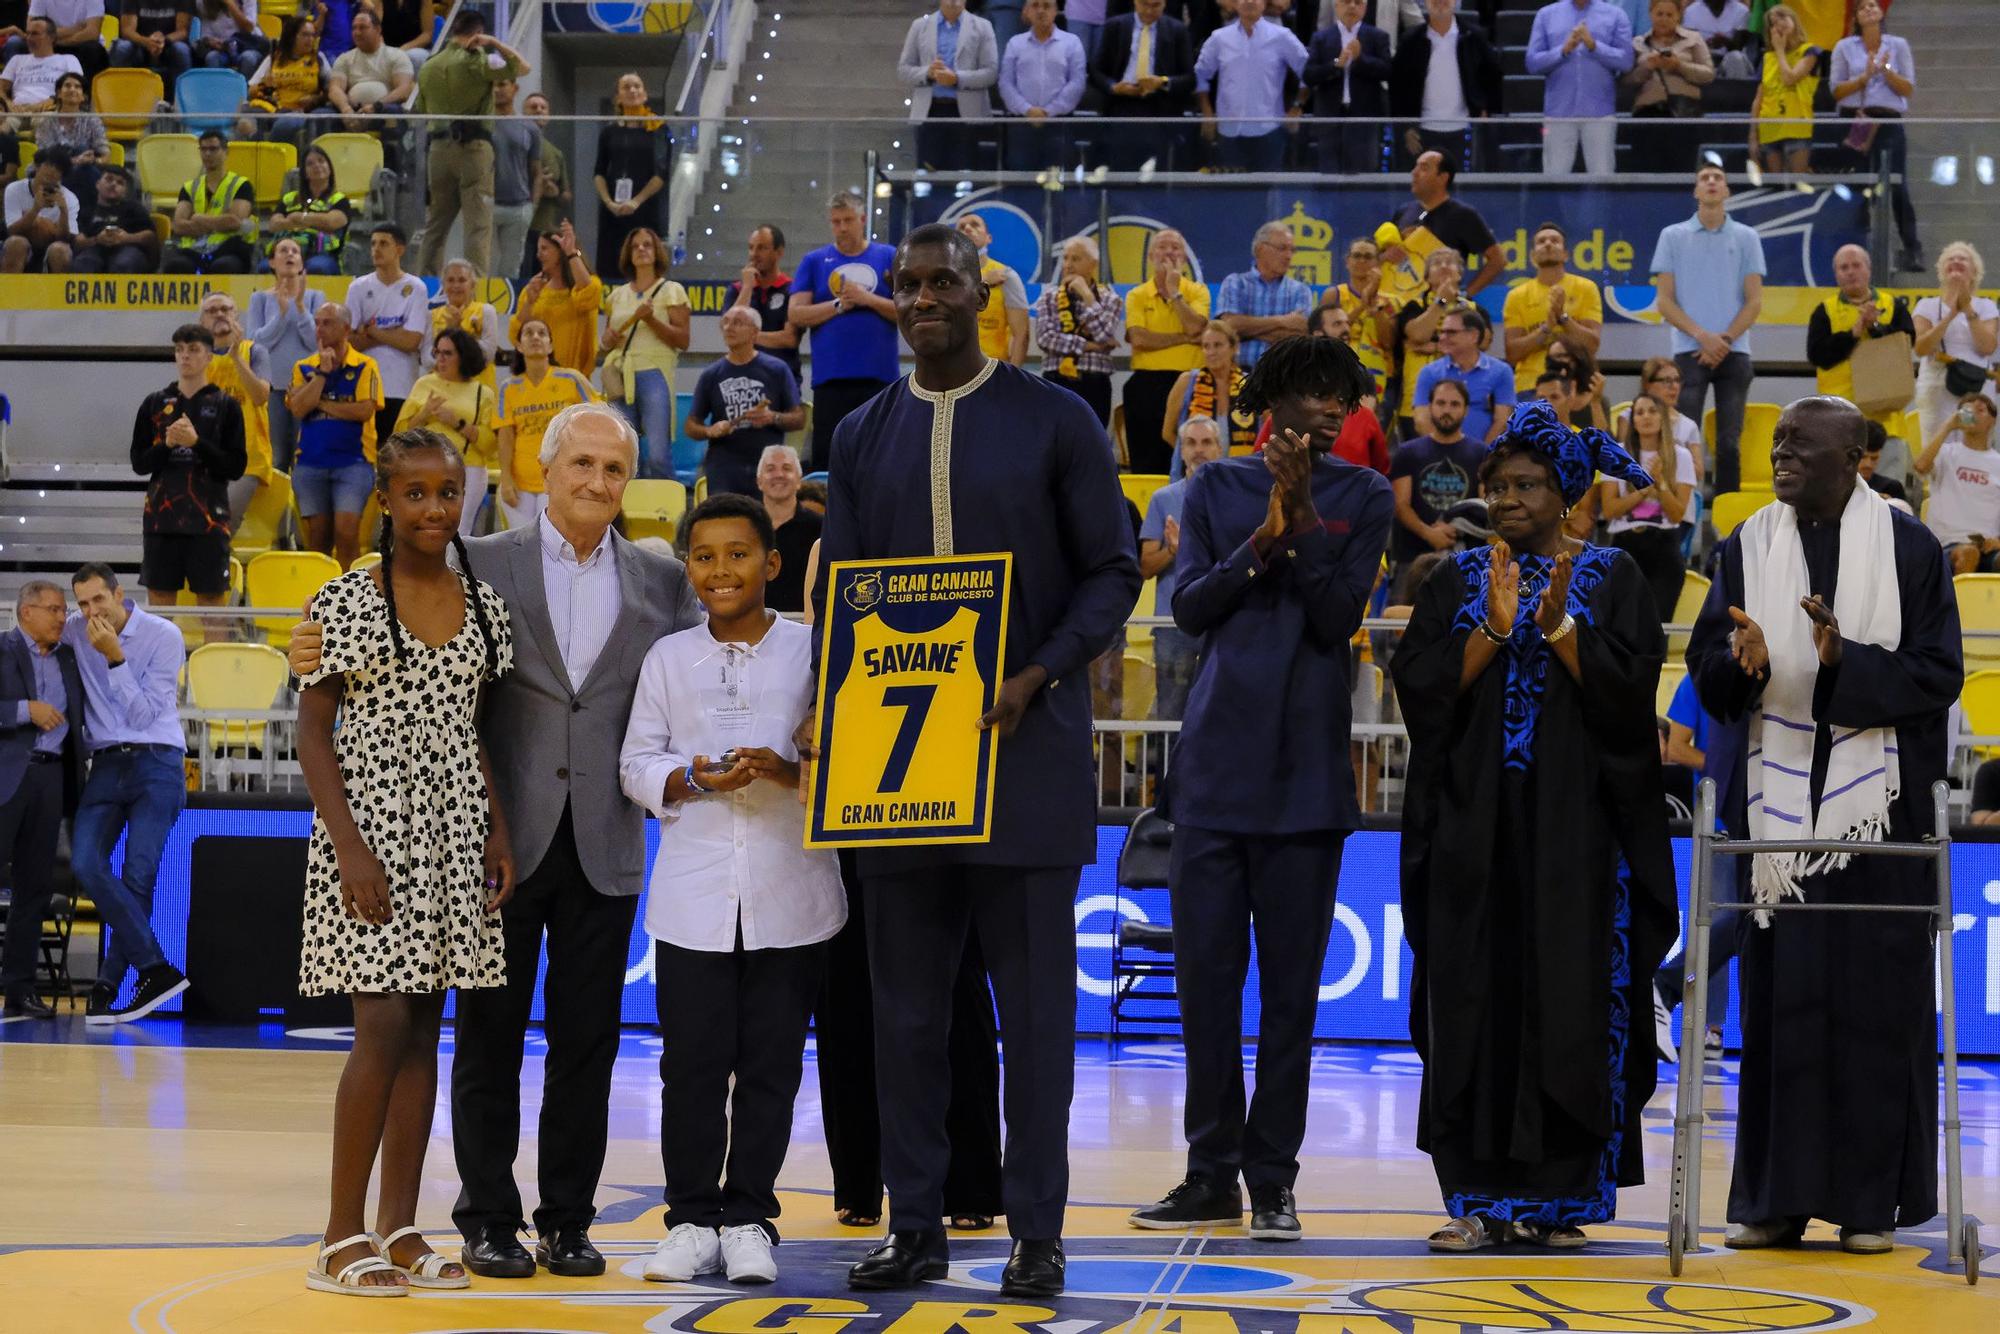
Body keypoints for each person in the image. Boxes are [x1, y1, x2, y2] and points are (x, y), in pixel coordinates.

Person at [291, 401, 702, 1280]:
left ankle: (565, 1221)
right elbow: (345, 659)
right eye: (581, 463)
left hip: (581, 839)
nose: (597, 481)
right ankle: (481, 1220)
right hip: (470, 842)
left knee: (586, 1044)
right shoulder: (478, 561)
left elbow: (710, 662)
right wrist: (307, 641)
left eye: (615, 469)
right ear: (541, 471)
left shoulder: (663, 581)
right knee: (481, 1040)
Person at [811, 222, 1139, 1298]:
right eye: (907, 286)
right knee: (903, 1018)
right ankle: (915, 1226)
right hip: (897, 768)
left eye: (942, 280)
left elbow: (1111, 571)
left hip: (1027, 757)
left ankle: (1036, 1232)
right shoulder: (859, 434)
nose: (922, 298)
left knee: (1035, 1019)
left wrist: (1037, 673)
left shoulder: (1055, 417)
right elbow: (850, 594)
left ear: (982, 294)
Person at [1392, 399, 1675, 1252]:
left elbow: (1630, 702)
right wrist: (1493, 629)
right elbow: (1423, 694)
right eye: (1496, 485)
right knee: (1472, 1001)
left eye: (1525, 485)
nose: (1507, 498)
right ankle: (1474, 1201)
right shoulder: (1452, 581)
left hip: (1579, 839)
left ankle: (1562, 1203)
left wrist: (1558, 631)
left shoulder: (1617, 580)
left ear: (1568, 494)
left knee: (1574, 1003)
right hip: (1474, 834)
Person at [1131, 336, 1393, 1241]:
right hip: (1210, 779)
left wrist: (1303, 509)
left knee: (1289, 1001)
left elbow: (1332, 619)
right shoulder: (1209, 490)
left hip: (1308, 784)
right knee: (1206, 992)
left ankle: (1273, 1179)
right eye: (1319, 393)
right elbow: (1194, 609)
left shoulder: (1362, 496)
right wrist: (1265, 536)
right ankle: (1209, 1175)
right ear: (1273, 402)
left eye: (1345, 398)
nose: (1335, 409)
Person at [1685, 395, 1960, 1255]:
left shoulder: (1911, 548)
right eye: (1778, 444)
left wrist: (1846, 663)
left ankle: (1868, 1205)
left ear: (1860, 460)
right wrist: (1743, 663)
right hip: (1774, 816)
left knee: (1879, 1013)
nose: (1783, 456)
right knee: (1781, 1011)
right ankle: (1775, 1201)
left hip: (1880, 818)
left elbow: (1938, 674)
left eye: (1803, 444)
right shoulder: (1746, 543)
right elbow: (1706, 668)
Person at [293, 426, 512, 1298]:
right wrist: (348, 845)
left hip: (457, 827)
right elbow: (313, 733)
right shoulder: (347, 599)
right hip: (372, 827)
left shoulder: (484, 603)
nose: (434, 508)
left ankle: (401, 1226)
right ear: (385, 500)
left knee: (425, 1027)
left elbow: (474, 730)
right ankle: (339, 1235)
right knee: (381, 1024)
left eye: (448, 492)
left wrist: (497, 829)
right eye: (415, 493)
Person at [618, 492, 842, 1286]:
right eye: (705, 556)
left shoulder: (817, 650)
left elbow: (850, 760)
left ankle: (750, 1216)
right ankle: (688, 1219)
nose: (722, 570)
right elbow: (635, 761)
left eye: (739, 554)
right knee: (692, 1066)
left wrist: (791, 770)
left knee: (773, 1065)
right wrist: (687, 776)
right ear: (689, 566)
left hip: (795, 892)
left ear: (772, 564)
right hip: (693, 897)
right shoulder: (668, 659)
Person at [65, 562, 190, 1023]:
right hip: (106, 764)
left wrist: (115, 657)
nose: (90, 611)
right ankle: (155, 967)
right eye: (82, 602)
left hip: (157, 760)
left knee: (139, 876)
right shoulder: (77, 631)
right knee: (84, 862)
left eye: (98, 599)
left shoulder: (163, 635)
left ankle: (106, 987)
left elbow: (143, 716)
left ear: (119, 594)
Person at [1651, 163, 1765, 493]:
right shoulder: (1672, 236)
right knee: (1683, 438)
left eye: (1718, 178)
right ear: (1696, 191)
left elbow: (1754, 301)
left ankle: (1726, 523)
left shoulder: (1747, 237)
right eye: (1705, 178)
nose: (1712, 182)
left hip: (1736, 351)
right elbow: (1664, 301)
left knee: (1729, 442)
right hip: (1688, 351)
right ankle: (1684, 511)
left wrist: (1724, 340)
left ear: (1727, 191)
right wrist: (1704, 337)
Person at [0, 580, 83, 1020]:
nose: (60, 617)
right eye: (52, 609)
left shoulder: (69, 656)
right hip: (7, 776)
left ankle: (20, 989)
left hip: (51, 779)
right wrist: (23, 710)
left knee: (34, 888)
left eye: (62, 609)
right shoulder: (3, 648)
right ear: (25, 612)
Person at [131, 323, 246, 632]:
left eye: (193, 349)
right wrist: (166, 445)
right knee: (159, 611)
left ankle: (214, 679)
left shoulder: (227, 406)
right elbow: (139, 463)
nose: (185, 356)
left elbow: (235, 466)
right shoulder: (154, 404)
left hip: (208, 520)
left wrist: (197, 443)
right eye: (180, 349)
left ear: (210, 356)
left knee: (212, 610)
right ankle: (158, 678)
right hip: (161, 519)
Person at [411, 8, 529, 281]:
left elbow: (421, 108)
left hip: (438, 150)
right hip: (473, 148)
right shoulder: (476, 61)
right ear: (478, 34)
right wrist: (495, 44)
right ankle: (473, 284)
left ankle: (425, 281)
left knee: (436, 224)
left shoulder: (429, 65)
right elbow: (523, 68)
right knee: (477, 224)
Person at [789, 192, 898, 472]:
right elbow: (796, 314)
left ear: (862, 220)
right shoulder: (814, 261)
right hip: (831, 379)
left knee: (882, 458)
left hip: (879, 377)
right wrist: (839, 305)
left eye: (848, 220)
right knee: (830, 459)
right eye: (836, 222)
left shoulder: (888, 256)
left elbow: (907, 310)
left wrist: (868, 299)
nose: (842, 227)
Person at [1140, 415, 1224, 724]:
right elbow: (1145, 567)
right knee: (1171, 716)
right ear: (1181, 450)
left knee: (1221, 715)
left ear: (1220, 448)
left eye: (1206, 442)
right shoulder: (1163, 499)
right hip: (1172, 625)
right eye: (1191, 442)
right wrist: (1173, 551)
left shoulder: (1234, 497)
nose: (1198, 450)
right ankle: (1168, 774)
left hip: (1221, 622)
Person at [288, 301, 384, 568]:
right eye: (317, 322)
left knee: (346, 532)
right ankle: (319, 600)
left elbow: (364, 410)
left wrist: (317, 402)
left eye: (327, 323)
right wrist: (322, 374)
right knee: (316, 540)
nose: (319, 329)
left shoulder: (366, 366)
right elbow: (297, 408)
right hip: (310, 462)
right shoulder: (304, 367)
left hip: (353, 463)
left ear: (346, 328)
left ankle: (348, 598)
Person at [1829, 0, 1919, 273]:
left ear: (1881, 13)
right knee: (1858, 186)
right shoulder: (1844, 46)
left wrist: (1886, 71)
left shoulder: (1898, 45)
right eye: (1862, 7)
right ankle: (1855, 249)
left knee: (1896, 185)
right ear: (1855, 16)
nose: (1869, 9)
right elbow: (1836, 91)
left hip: (1887, 120)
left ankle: (1912, 249)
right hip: (1854, 120)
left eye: (1873, 5)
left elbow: (1907, 89)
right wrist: (1864, 77)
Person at [685, 306, 803, 499]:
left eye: (738, 322)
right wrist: (710, 430)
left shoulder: (777, 369)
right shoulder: (711, 374)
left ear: (755, 332)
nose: (729, 327)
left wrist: (773, 417)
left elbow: (799, 419)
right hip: (724, 463)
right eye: (726, 322)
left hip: (768, 464)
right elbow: (690, 426)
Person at [601, 226, 690, 479]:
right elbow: (607, 343)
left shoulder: (672, 290)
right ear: (628, 255)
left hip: (654, 372)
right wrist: (607, 340)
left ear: (657, 252)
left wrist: (651, 319)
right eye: (635, 246)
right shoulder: (616, 296)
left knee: (658, 453)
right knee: (624, 451)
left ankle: (667, 512)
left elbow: (683, 340)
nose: (641, 249)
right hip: (620, 374)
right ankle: (627, 512)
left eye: (647, 245)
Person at [494, 318, 596, 531]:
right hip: (520, 483)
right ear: (519, 346)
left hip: (560, 481)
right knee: (521, 546)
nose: (535, 337)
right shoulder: (508, 388)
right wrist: (505, 479)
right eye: (528, 333)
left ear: (551, 345)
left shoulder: (572, 379)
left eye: (542, 333)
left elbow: (597, 419)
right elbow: (505, 436)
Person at [1122, 227, 1209, 474]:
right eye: (1162, 247)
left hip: (1190, 381)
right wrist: (1185, 337)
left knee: (1189, 456)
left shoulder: (1197, 291)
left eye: (1175, 247)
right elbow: (1139, 339)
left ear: (1184, 257)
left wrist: (1174, 293)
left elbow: (1196, 325)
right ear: (1150, 256)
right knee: (1146, 460)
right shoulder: (1137, 295)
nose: (1169, 253)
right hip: (1147, 383)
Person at [1600, 392, 1694, 617]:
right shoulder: (1617, 453)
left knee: (1659, 623)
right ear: (1632, 420)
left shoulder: (1681, 456)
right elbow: (1610, 509)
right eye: (1639, 412)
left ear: (1664, 417)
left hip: (1665, 546)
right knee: (1623, 622)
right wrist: (1643, 489)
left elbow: (1677, 514)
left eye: (1652, 411)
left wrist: (1660, 484)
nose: (1646, 417)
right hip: (1625, 544)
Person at [397, 327, 496, 536]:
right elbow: (401, 434)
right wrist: (423, 414)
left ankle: (453, 569)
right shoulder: (424, 384)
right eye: (437, 352)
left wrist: (458, 423)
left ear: (463, 356)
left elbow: (490, 444)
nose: (440, 359)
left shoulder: (483, 393)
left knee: (458, 530)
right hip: (424, 466)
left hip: (468, 468)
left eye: (447, 353)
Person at [1806, 242, 1914, 424]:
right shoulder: (1824, 310)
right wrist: (1853, 335)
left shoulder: (1893, 305)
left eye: (1856, 265)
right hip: (1838, 417)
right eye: (1844, 267)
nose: (1850, 272)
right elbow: (1817, 356)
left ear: (1868, 270)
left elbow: (1908, 343)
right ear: (1836, 275)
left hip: (1886, 417)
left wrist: (1874, 327)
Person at [1193, 0, 1305, 173]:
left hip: (1270, 131)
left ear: (1264, 4)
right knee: (1232, 194)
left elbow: (1308, 71)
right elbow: (1200, 74)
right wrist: (1207, 112)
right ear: (1235, 4)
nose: (1250, 1)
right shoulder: (1219, 38)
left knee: (1268, 195)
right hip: (1229, 131)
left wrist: (1298, 107)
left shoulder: (1282, 36)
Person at [1389, 0, 1501, 171]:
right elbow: (1397, 88)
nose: (1440, 2)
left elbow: (1493, 77)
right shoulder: (1410, 40)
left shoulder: (1474, 37)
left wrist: (1484, 108)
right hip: (1421, 133)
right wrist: (1406, 128)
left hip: (1463, 129)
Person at [1527, 0, 1632, 175]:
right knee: (1554, 177)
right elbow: (1532, 62)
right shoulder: (1545, 15)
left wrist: (1594, 46)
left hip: (1600, 113)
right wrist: (1563, 50)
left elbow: (1626, 61)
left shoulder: (1616, 15)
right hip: (1558, 113)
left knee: (1602, 177)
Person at [346, 221, 427, 447]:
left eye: (383, 243)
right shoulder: (358, 288)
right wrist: (393, 334)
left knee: (395, 455)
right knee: (365, 455)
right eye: (373, 244)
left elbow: (411, 341)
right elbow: (349, 343)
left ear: (399, 249)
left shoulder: (416, 288)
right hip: (364, 388)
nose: (376, 249)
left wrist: (371, 331)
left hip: (401, 387)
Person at [1390, 378, 1484, 573]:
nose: (1447, 410)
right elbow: (1400, 505)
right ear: (1430, 406)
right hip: (1412, 558)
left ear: (1466, 410)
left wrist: (1455, 530)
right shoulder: (1408, 452)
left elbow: (1485, 506)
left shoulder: (1481, 453)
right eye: (1441, 403)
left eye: (1454, 404)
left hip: (1467, 560)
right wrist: (1430, 534)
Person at [199, 291, 274, 532]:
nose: (219, 314)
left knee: (217, 528)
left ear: (236, 316)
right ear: (202, 323)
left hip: (247, 461)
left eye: (225, 309)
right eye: (212, 311)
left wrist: (236, 358)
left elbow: (260, 396)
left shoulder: (255, 352)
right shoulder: (197, 358)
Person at [1090, 0, 1196, 171]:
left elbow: (1189, 79)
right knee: (1120, 166)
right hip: (1121, 104)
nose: (1149, 11)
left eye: (1155, 5)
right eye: (1144, 4)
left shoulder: (1177, 30)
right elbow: (1096, 72)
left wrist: (1162, 82)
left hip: (1160, 107)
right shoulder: (1115, 26)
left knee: (1156, 170)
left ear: (1164, 4)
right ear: (1135, 2)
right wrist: (1113, 87)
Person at [1911, 242, 1998, 450]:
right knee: (1937, 448)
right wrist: (1949, 316)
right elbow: (1921, 348)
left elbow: (1987, 347)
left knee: (1974, 446)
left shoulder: (1986, 306)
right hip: (1937, 388)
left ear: (1975, 271)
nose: (1956, 261)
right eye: (1951, 259)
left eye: (1963, 259)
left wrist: (1967, 310)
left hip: (1976, 390)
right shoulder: (1926, 306)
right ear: (1942, 270)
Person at [1502, 222, 1603, 398]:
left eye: (1555, 241)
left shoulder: (1586, 288)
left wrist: (1563, 318)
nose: (1548, 244)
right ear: (1533, 256)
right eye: (1541, 241)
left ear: (1566, 255)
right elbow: (1512, 353)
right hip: (1530, 387)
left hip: (1577, 385)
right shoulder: (1516, 296)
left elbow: (1592, 345)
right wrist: (1546, 328)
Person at [249, 240, 325, 471]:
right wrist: (281, 316)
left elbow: (316, 342)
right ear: (272, 262)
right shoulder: (260, 299)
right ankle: (280, 508)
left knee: (305, 455)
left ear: (302, 262)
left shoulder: (314, 297)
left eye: (295, 251)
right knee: (278, 458)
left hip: (306, 387)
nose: (290, 255)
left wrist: (300, 308)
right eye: (283, 251)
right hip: (273, 387)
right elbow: (257, 342)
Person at [900, 0, 998, 174]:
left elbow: (991, 73)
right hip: (930, 112)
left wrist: (957, 78)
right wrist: (927, 73)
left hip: (967, 113)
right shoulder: (920, 26)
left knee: (965, 176)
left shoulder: (983, 27)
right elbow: (904, 70)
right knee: (926, 175)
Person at [1035, 234, 1121, 426]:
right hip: (1057, 378)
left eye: (1076, 258)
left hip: (1095, 381)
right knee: (1056, 443)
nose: (1068, 264)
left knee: (1094, 443)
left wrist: (1087, 297)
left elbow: (1104, 334)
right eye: (1065, 258)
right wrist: (1089, 345)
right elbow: (1045, 339)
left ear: (1093, 264)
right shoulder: (1048, 298)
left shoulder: (1110, 299)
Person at [592, 70, 670, 279]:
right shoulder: (609, 131)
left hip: (645, 207)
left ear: (644, 94)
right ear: (618, 97)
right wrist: (609, 202)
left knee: (642, 260)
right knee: (612, 259)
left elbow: (661, 173)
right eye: (626, 87)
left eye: (637, 86)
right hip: (614, 209)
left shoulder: (658, 129)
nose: (632, 90)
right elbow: (599, 171)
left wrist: (636, 201)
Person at [1394, 147, 1504, 294]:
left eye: (1424, 168)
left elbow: (1498, 260)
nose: (1414, 173)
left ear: (1443, 177)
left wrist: (1465, 294)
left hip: (1443, 305)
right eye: (1415, 166)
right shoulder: (1404, 212)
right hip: (1405, 302)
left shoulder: (1463, 215)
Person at [1392, 247, 1475, 436]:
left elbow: (1480, 343)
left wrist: (1435, 346)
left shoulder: (1472, 308)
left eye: (1450, 262)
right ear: (1427, 278)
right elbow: (1418, 335)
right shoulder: (1414, 306)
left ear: (1460, 275)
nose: (1444, 266)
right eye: (1437, 263)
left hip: (1460, 399)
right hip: (1415, 402)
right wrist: (1441, 302)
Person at [1914, 393, 2000, 574]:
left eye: (1981, 410)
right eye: (1968, 410)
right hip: (1947, 544)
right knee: (1968, 553)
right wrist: (1948, 426)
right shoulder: (1945, 452)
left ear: (1993, 420)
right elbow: (1920, 466)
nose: (1973, 413)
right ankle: (1960, 602)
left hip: (1987, 545)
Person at [1302, 0, 1391, 173]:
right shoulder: (1321, 38)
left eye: (1358, 3)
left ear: (1365, 8)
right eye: (1346, 2)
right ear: (1336, 6)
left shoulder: (1378, 37)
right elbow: (1309, 75)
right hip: (1329, 120)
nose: (1352, 6)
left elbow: (1387, 72)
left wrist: (1361, 59)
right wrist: (1336, 64)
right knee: (1329, 179)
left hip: (1364, 122)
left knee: (1363, 181)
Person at [997, 0, 1084, 171]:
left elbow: (1077, 82)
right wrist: (1027, 110)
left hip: (1059, 124)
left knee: (1055, 184)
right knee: (1020, 181)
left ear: (1056, 11)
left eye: (1046, 6)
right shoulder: (1015, 43)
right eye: (1035, 5)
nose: (1041, 11)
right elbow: (1005, 82)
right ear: (1027, 11)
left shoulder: (1072, 43)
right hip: (1022, 124)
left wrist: (1048, 111)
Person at [1625, 0, 1713, 168]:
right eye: (1659, 14)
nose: (1664, 19)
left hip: (1684, 114)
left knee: (1681, 170)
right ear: (1650, 14)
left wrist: (1679, 66)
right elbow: (1626, 81)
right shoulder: (1638, 43)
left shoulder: (1694, 39)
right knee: (1645, 170)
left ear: (1679, 16)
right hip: (1646, 117)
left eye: (1669, 15)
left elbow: (1708, 75)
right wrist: (1646, 68)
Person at [1164, 321, 1256, 477]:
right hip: (1196, 475)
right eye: (1206, 346)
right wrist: (1193, 454)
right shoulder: (1186, 382)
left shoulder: (1250, 385)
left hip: (1240, 475)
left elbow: (1265, 430)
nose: (1211, 352)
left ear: (1234, 348)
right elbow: (1167, 432)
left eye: (1218, 345)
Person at [513, 219, 604, 376]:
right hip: (538, 378)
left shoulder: (589, 284)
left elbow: (588, 294)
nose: (538, 254)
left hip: (575, 378)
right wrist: (529, 302)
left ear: (560, 251)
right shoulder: (533, 289)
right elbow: (516, 334)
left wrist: (571, 252)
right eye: (538, 249)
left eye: (544, 248)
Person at [1217, 220, 1311, 372]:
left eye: (1292, 250)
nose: (1288, 256)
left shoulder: (1300, 290)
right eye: (1282, 248)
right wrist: (1283, 320)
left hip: (1284, 378)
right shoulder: (1236, 282)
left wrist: (1247, 330)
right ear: (1260, 249)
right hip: (1239, 377)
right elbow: (1229, 326)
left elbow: (1300, 335)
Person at [1413, 306, 1515, 444]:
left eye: (1451, 332)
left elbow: (1503, 421)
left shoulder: (1501, 371)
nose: (1442, 338)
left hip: (1486, 458)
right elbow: (1421, 420)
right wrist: (1445, 453)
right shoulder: (1429, 373)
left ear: (1473, 336)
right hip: (1439, 457)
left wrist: (1481, 456)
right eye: (1441, 332)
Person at [1312, 304, 1391, 473]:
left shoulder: (1362, 376)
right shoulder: (1298, 375)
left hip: (1352, 471)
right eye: (1337, 324)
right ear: (1318, 333)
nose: (1346, 329)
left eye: (1347, 323)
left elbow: (1362, 424)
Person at [162, 130, 255, 275]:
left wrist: (198, 218)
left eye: (213, 149)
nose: (207, 154)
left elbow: (234, 222)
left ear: (225, 151)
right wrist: (219, 223)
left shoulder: (241, 185)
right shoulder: (189, 187)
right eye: (203, 149)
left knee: (224, 266)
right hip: (193, 251)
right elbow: (179, 226)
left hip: (228, 249)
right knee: (176, 266)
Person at [749, 444, 820, 616]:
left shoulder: (821, 527)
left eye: (787, 468)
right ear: (759, 481)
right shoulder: (743, 527)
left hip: (805, 621)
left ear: (799, 481)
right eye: (770, 469)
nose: (779, 475)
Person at [1326, 235, 1398, 404]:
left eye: (1368, 257)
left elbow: (1388, 343)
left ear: (1377, 263)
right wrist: (1363, 304)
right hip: (1338, 376)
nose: (1362, 261)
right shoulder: (1334, 295)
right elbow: (1326, 337)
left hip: (1381, 378)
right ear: (1347, 261)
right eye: (1357, 256)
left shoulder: (1391, 301)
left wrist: (1374, 302)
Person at [241, 12, 332, 146]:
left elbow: (331, 89)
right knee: (246, 118)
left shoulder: (318, 59)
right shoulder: (274, 58)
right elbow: (253, 87)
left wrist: (316, 99)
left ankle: (270, 156)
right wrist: (266, 87)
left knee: (286, 123)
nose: (310, 39)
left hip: (300, 111)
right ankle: (252, 157)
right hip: (272, 107)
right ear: (292, 37)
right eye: (305, 35)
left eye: (313, 35)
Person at [725, 223, 800, 385]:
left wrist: (746, 336)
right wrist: (747, 288)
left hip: (782, 379)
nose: (754, 254)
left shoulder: (792, 289)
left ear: (779, 252)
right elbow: (729, 332)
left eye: (762, 248)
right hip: (742, 380)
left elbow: (789, 338)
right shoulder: (737, 290)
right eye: (751, 248)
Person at [1746, 3, 1817, 175]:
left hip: (1797, 127)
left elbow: (1789, 78)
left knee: (1796, 182)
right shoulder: (1767, 58)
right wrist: (1753, 135)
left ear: (1794, 20)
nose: (1780, 24)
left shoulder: (1810, 52)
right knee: (1775, 186)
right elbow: (1759, 99)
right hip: (1769, 127)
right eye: (1773, 22)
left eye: (1783, 18)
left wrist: (1779, 50)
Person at [955, 213, 1029, 368]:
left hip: (994, 370)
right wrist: (983, 280)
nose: (967, 228)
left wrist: (1013, 378)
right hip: (952, 370)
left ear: (989, 238)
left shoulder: (1007, 276)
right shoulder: (944, 277)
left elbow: (1021, 334)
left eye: (975, 224)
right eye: (961, 227)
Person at [484, 77, 539, 283]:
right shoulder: (481, 122)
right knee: (480, 264)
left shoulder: (529, 127)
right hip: (486, 203)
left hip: (519, 206)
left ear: (514, 88)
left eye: (502, 84)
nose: (497, 90)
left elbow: (536, 170)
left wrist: (532, 205)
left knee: (511, 266)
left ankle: (505, 312)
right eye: (494, 85)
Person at [264, 143, 349, 275]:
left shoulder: (339, 199)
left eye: (321, 161)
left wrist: (299, 218)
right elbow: (274, 225)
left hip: (323, 254)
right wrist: (314, 222)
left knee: (316, 267)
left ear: (330, 168)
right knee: (265, 266)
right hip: (289, 250)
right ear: (304, 173)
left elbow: (332, 222)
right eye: (310, 164)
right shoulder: (289, 198)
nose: (317, 166)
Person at [328, 6, 414, 133]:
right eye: (354, 28)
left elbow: (404, 90)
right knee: (323, 114)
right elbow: (334, 88)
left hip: (382, 110)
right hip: (352, 110)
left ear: (378, 30)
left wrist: (376, 106)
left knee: (393, 112)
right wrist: (345, 109)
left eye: (362, 27)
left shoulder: (397, 56)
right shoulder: (344, 59)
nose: (357, 32)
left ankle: (390, 152)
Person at [424, 257, 500, 388]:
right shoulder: (432, 315)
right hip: (442, 390)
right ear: (443, 285)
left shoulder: (486, 311)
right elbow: (428, 360)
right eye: (450, 280)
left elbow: (487, 354)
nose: (456, 286)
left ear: (472, 285)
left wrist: (456, 332)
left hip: (478, 390)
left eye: (462, 280)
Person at [67, 163, 153, 274]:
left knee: (124, 263)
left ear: (125, 190)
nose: (113, 184)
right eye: (109, 179)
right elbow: (78, 242)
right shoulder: (85, 209)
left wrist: (127, 238)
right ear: (97, 184)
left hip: (127, 249)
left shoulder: (134, 209)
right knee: (84, 263)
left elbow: (150, 238)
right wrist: (97, 239)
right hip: (94, 249)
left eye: (120, 183)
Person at [522, 91, 571, 283]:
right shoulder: (517, 146)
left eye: (543, 108)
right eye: (533, 107)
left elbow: (566, 194)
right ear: (524, 113)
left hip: (546, 229)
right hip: (521, 226)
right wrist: (534, 185)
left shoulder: (556, 153)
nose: (539, 111)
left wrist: (554, 192)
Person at [1, 142, 72, 272]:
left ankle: (57, 292)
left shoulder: (69, 197)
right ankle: (7, 291)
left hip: (51, 245)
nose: (52, 171)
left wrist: (64, 211)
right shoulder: (14, 189)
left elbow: (64, 238)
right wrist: (36, 209)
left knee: (60, 250)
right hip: (22, 241)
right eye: (49, 165)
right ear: (37, 166)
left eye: (58, 169)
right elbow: (12, 231)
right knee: (15, 243)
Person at [31, 71, 108, 184]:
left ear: (84, 97)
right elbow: (45, 156)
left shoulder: (92, 120)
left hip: (84, 170)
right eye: (67, 86)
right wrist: (74, 161)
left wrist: (94, 160)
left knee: (84, 161)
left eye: (77, 87)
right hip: (52, 169)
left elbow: (105, 155)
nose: (72, 89)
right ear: (58, 93)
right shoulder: (46, 120)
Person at [0, 15, 78, 113]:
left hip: (49, 110)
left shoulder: (68, 60)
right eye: (28, 33)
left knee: (47, 121)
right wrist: (7, 103)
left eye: (35, 34)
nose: (29, 38)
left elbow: (76, 88)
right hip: (17, 111)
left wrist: (51, 102)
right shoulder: (17, 60)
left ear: (51, 37)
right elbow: (1, 87)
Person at [110, 0, 191, 85]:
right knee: (122, 47)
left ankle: (182, 94)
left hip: (169, 44)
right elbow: (127, 31)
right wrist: (147, 42)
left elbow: (182, 31)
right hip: (139, 45)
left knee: (181, 49)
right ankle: (119, 92)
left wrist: (163, 40)